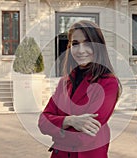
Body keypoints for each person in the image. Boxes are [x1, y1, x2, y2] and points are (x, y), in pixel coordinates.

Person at [38, 20, 121, 158]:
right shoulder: (64, 82)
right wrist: (69, 121)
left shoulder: (108, 83)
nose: (81, 50)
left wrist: (56, 128)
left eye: (87, 43)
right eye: (75, 44)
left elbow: (84, 137)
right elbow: (42, 122)